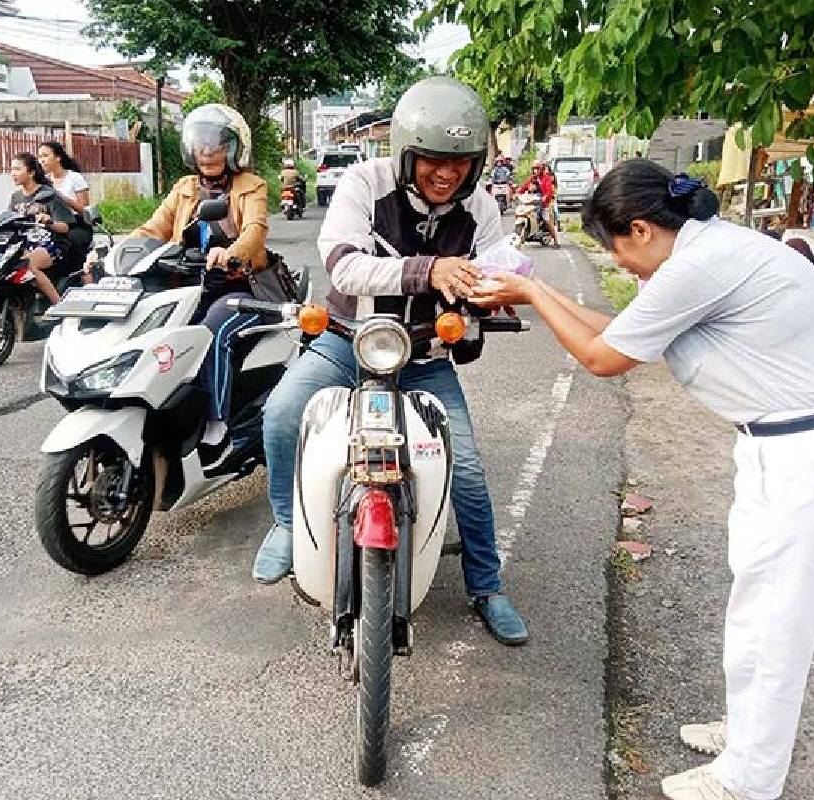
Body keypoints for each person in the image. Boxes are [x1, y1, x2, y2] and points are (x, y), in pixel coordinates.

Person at [472, 159, 814, 799]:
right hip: (783, 447)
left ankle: (749, 781)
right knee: (754, 607)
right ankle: (748, 733)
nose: (619, 266)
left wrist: (532, 293)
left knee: (779, 622)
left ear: (640, 229)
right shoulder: (701, 255)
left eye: (616, 251)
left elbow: (602, 359)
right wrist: (534, 295)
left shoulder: (700, 267)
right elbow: (620, 333)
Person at [251, 76, 529, 646]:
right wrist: (430, 269)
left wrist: (492, 297)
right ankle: (286, 523)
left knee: (468, 472)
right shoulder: (362, 182)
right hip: (347, 339)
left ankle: (487, 585)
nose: (447, 173)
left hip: (424, 353)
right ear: (405, 152)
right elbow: (344, 266)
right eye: (432, 160)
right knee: (281, 416)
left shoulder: (481, 208)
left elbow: (497, 270)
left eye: (461, 162)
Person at [132, 103, 270, 456]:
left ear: (234, 148)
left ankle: (216, 422)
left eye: (216, 144)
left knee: (211, 333)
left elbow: (255, 231)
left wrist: (232, 253)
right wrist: (116, 253)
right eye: (200, 143)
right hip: (189, 287)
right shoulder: (185, 188)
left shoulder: (251, 186)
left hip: (241, 287)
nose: (207, 151)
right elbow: (154, 228)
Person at [5, 152, 77, 305]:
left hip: (51, 244)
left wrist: (49, 221)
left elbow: (65, 227)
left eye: (18, 169)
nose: (13, 173)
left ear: (31, 172)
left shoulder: (49, 194)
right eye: (12, 169)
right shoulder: (15, 197)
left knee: (28, 265)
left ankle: (58, 305)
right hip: (24, 244)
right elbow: (8, 220)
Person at [38, 141, 93, 273]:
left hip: (76, 223)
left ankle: (81, 276)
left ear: (58, 157)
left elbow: (84, 210)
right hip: (52, 223)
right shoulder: (44, 181)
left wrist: (61, 198)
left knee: (72, 244)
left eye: (45, 156)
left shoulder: (74, 178)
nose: (42, 160)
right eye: (40, 157)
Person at [518, 160, 560, 247]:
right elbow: (524, 186)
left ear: (541, 169)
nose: (535, 171)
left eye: (537, 169)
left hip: (544, 204)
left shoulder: (546, 178)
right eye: (534, 169)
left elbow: (549, 191)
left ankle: (555, 241)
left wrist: (545, 197)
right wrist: (518, 192)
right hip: (532, 202)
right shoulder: (532, 178)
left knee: (547, 220)